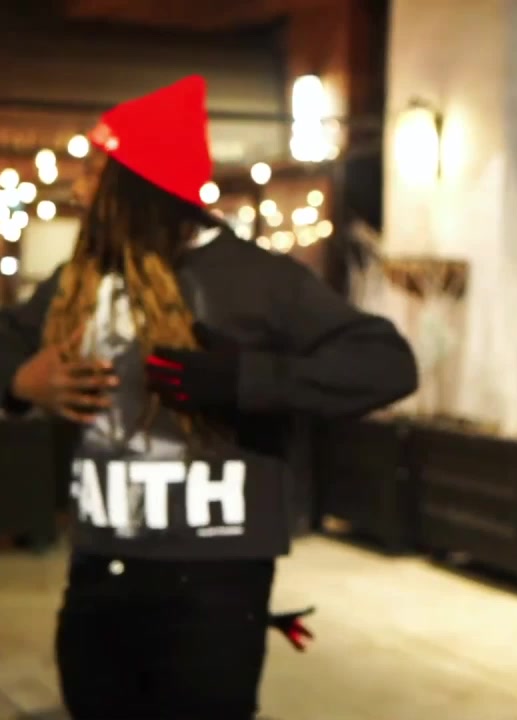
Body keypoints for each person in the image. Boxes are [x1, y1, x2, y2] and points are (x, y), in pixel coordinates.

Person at [0, 76, 418, 719]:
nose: (78, 189)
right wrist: (19, 382)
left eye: (94, 173)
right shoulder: (80, 279)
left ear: (136, 185)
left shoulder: (259, 280)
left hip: (214, 584)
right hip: (98, 572)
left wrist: (248, 380)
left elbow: (386, 364)